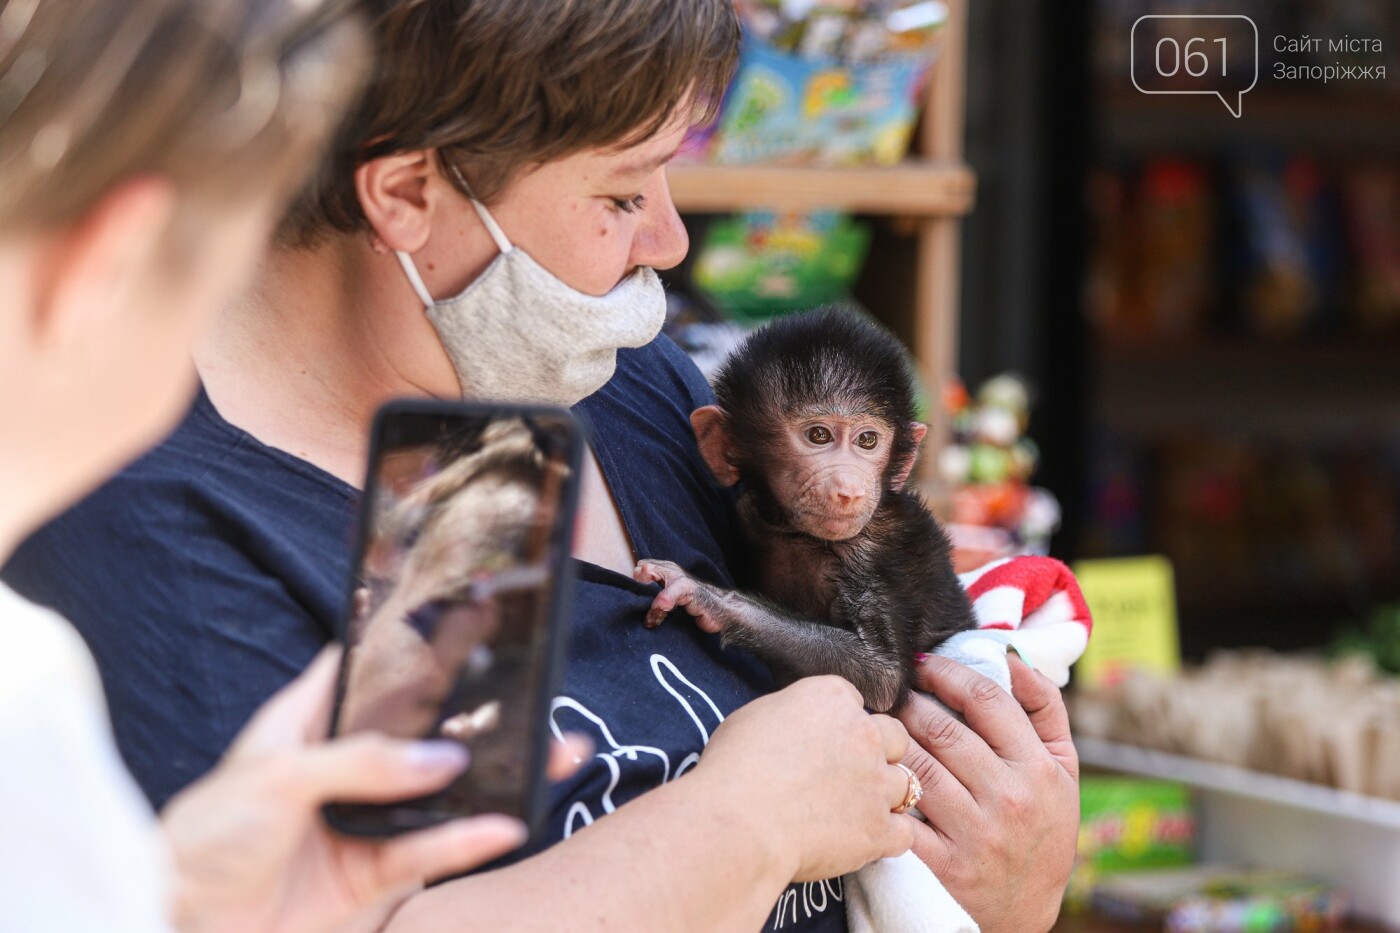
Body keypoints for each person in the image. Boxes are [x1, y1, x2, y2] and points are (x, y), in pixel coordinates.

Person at [4, 0, 1080, 930]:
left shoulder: (564, 395)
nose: (668, 240)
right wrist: (738, 827)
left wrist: (1005, 884)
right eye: (622, 193)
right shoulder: (160, 528)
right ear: (406, 192)